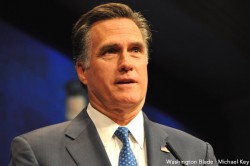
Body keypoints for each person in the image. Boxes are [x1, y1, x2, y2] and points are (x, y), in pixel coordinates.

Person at [9, 3, 218, 166]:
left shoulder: (197, 153)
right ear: (82, 71)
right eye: (110, 51)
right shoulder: (37, 152)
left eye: (135, 50)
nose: (126, 63)